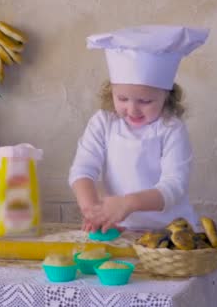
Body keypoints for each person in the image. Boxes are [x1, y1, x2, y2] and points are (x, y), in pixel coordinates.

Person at [68, 25, 209, 232]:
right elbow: (83, 169)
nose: (132, 109)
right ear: (111, 92)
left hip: (169, 232)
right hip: (120, 229)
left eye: (145, 100)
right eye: (122, 98)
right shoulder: (103, 123)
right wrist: (93, 210)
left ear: (166, 96)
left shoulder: (171, 129)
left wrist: (128, 203)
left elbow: (174, 185)